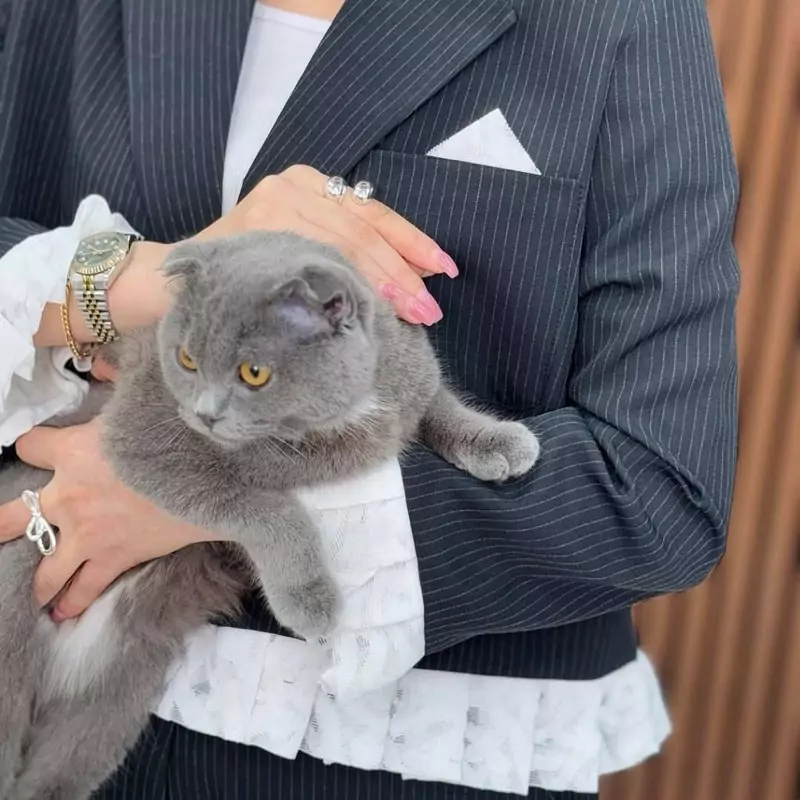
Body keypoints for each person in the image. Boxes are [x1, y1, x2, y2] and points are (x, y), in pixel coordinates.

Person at [0, 0, 739, 797]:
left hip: (392, 751)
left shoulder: (622, 18)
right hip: (40, 648)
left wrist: (201, 497)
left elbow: (661, 493)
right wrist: (119, 279)